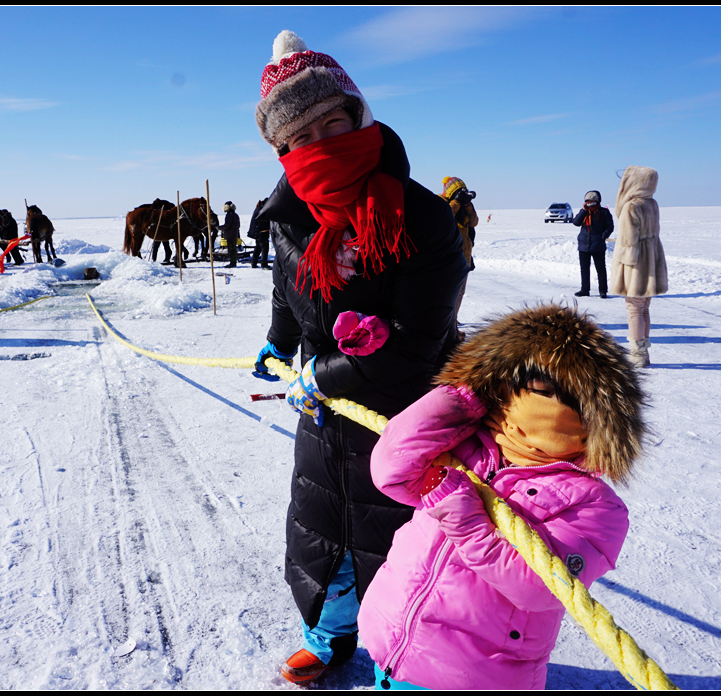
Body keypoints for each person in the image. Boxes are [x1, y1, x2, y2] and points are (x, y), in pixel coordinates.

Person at [250, 30, 466, 685]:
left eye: (333, 123)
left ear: (360, 116)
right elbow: (289, 290)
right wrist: (280, 342)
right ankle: (330, 633)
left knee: (408, 545)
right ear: (283, 150)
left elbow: (417, 342)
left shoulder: (422, 217)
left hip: (408, 412)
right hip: (322, 413)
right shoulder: (288, 216)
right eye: (300, 136)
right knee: (323, 526)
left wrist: (322, 374)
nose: (320, 144)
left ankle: (407, 658)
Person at [357, 303, 646, 690]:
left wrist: (467, 520)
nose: (529, 397)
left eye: (549, 389)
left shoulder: (596, 505)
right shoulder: (467, 445)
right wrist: (462, 397)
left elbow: (540, 586)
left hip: (473, 677)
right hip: (392, 644)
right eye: (523, 380)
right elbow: (391, 466)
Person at [611, 166, 668, 367]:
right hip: (651, 260)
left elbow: (629, 243)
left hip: (636, 265)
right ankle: (643, 352)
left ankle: (637, 354)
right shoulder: (652, 204)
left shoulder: (632, 206)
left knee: (634, 308)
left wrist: (625, 265)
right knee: (643, 308)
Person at [440, 176, 477, 325]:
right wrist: (455, 202)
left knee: (460, 291)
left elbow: (474, 221)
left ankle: (453, 320)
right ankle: (444, 322)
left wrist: (467, 204)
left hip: (464, 255)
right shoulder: (441, 203)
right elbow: (444, 219)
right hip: (448, 256)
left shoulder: (464, 208)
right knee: (447, 292)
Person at [571, 190, 613, 298]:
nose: (589, 203)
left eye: (592, 200)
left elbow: (610, 227)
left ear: (597, 200)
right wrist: (584, 211)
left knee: (601, 269)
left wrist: (603, 236)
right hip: (584, 245)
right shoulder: (584, 212)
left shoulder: (604, 212)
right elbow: (576, 222)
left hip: (598, 245)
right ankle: (585, 290)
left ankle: (603, 291)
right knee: (584, 269)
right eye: (587, 201)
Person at [247, 198, 271, 269]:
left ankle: (253, 263)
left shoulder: (260, 209)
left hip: (258, 233)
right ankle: (264, 264)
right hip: (261, 232)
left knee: (258, 248)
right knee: (264, 248)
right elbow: (262, 222)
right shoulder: (262, 210)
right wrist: (269, 227)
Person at [220, 201, 240, 267]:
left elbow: (227, 226)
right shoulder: (236, 215)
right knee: (233, 249)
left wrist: (219, 228)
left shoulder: (229, 215)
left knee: (231, 249)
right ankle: (234, 262)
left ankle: (232, 263)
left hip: (230, 235)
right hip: (234, 235)